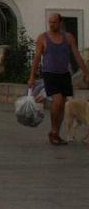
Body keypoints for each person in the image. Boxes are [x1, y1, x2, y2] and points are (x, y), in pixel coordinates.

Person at [28, 13, 89, 145]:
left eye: (54, 22)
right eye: (50, 22)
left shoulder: (68, 37)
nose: (51, 25)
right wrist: (32, 77)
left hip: (64, 74)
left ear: (60, 23)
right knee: (57, 100)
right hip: (50, 74)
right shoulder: (43, 38)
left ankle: (56, 132)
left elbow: (77, 55)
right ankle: (54, 131)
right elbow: (37, 58)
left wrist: (86, 73)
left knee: (62, 105)